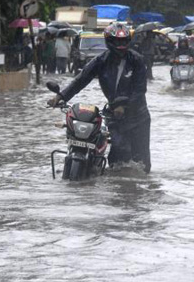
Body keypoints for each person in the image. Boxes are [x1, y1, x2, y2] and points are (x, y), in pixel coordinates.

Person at [47, 23, 151, 173]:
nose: (121, 45)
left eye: (124, 41)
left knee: (141, 163)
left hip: (138, 116)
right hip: (114, 116)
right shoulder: (101, 61)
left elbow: (140, 90)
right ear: (109, 41)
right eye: (117, 41)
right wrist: (60, 96)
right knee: (117, 157)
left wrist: (124, 106)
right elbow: (81, 79)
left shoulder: (137, 60)